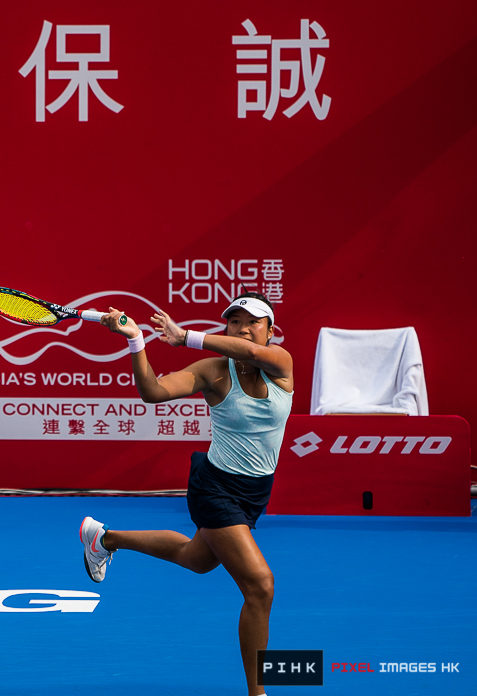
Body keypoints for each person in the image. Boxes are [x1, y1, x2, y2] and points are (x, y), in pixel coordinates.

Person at [81, 293, 293, 696]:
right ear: (226, 327)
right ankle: (259, 693)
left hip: (254, 493)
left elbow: (249, 351)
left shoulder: (281, 363)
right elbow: (154, 392)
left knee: (196, 559)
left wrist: (185, 336)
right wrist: (136, 341)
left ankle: (103, 538)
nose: (244, 329)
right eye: (235, 321)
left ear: (270, 330)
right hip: (215, 488)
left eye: (254, 322)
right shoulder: (213, 371)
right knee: (260, 585)